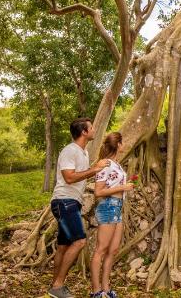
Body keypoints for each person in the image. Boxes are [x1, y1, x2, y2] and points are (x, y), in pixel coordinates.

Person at [48, 118, 110, 298]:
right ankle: (58, 286)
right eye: (91, 127)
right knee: (80, 241)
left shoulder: (83, 153)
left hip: (71, 201)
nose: (94, 129)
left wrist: (97, 170)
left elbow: (83, 175)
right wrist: (95, 169)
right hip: (64, 201)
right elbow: (69, 177)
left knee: (63, 246)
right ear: (84, 132)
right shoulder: (70, 150)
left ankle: (55, 286)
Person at [90, 132, 133, 298]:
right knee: (101, 249)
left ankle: (106, 289)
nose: (124, 145)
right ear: (118, 144)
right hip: (107, 206)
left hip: (117, 208)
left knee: (113, 250)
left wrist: (125, 187)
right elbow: (98, 192)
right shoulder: (104, 163)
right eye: (123, 142)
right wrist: (122, 188)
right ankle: (96, 291)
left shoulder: (116, 164)